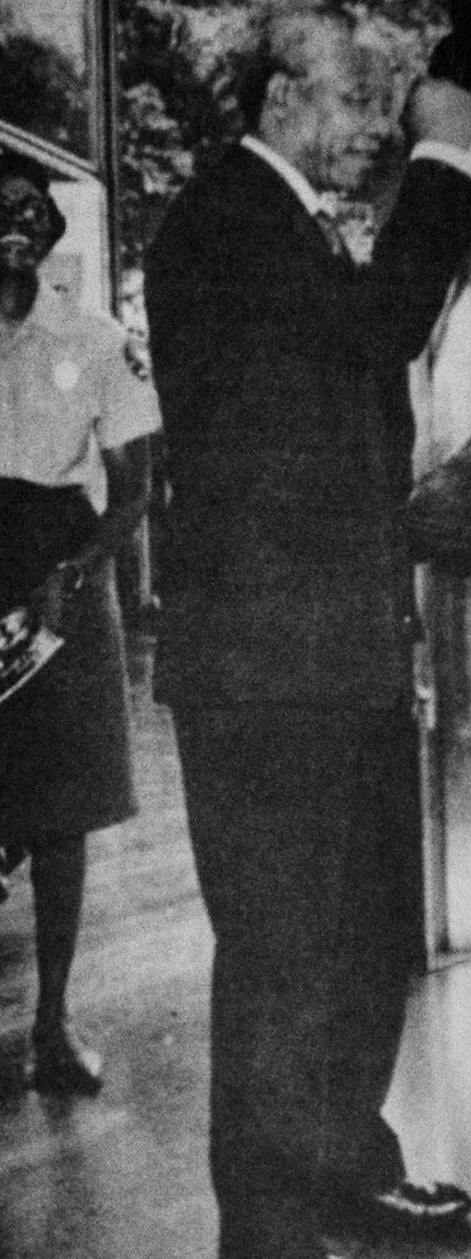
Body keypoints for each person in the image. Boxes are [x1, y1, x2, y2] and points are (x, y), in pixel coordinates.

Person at [143, 4, 471, 1256]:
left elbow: (347, 406)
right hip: (268, 670)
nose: (380, 125)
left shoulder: (289, 228)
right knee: (289, 960)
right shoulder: (225, 223)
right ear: (283, 101)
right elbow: (372, 331)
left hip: (328, 654)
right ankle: (273, 1232)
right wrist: (449, 159)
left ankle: (347, 1157)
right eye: (358, 99)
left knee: (365, 939)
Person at [0, 150, 159, 1094]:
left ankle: (51, 1024)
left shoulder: (96, 341)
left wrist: (77, 569)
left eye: (31, 208)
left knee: (62, 815)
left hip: (62, 568)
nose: (19, 223)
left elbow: (135, 487)